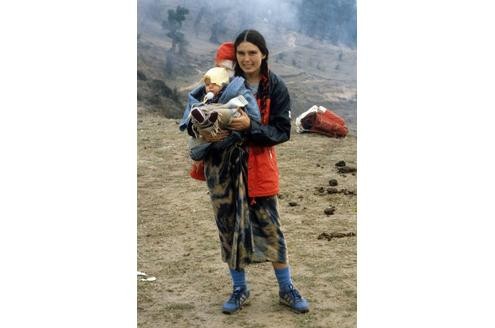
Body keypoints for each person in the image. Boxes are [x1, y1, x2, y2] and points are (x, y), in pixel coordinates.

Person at [200, 29, 310, 314]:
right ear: (234, 56)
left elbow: (282, 131)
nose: (247, 59)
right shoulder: (221, 84)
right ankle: (239, 289)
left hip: (259, 167)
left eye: (252, 53)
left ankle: (286, 289)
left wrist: (251, 127)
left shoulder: (275, 87)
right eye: (241, 53)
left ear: (264, 54)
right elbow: (198, 115)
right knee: (229, 228)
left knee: (271, 230)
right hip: (222, 168)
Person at [186, 66, 261, 162]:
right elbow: (191, 124)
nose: (210, 86)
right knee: (201, 114)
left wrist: (249, 123)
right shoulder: (203, 99)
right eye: (207, 84)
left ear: (223, 84)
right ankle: (205, 123)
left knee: (223, 113)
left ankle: (208, 122)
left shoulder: (235, 94)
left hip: (231, 130)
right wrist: (202, 133)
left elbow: (252, 114)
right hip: (211, 135)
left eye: (214, 83)